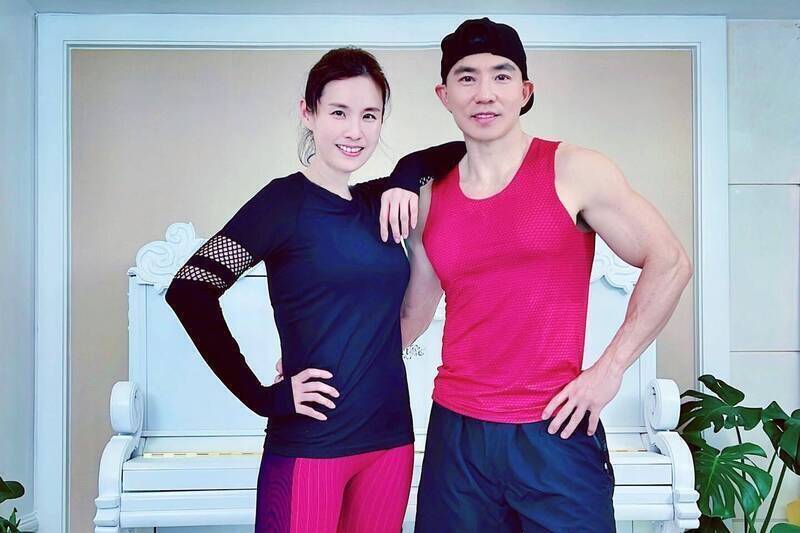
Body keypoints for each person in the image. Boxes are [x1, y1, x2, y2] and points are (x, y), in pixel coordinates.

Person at [392, 18, 694, 532]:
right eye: (466, 77)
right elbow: (411, 315)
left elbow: (670, 261)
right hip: (457, 434)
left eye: (501, 75)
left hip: (555, 428)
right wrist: (331, 360)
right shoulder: (428, 198)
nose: (484, 93)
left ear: (525, 91)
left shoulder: (575, 170)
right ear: (445, 95)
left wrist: (609, 370)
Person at [164, 47, 462, 533]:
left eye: (369, 115)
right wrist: (262, 398)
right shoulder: (283, 203)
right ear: (309, 113)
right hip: (312, 442)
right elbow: (190, 289)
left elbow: (460, 151)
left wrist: (406, 175)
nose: (355, 131)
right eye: (339, 112)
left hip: (390, 439)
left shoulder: (378, 202)